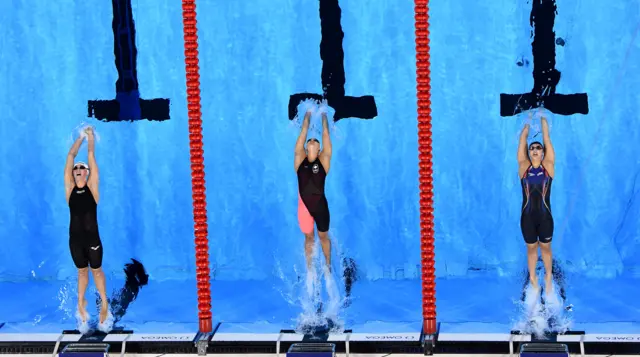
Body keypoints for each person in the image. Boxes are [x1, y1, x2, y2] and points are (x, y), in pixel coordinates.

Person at [64, 127, 109, 323]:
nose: (78, 169)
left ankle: (105, 303)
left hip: (93, 239)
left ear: (88, 173)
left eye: (82, 168)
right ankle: (81, 303)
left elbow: (90, 154)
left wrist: (90, 137)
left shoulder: (93, 188)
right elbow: (71, 155)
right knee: (82, 271)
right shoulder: (69, 190)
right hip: (75, 241)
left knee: (96, 270)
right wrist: (80, 137)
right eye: (76, 168)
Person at [517, 114, 555, 295]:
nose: (534, 150)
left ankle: (548, 276)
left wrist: (542, 115)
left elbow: (546, 137)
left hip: (545, 217)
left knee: (546, 247)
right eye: (532, 148)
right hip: (527, 218)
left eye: (538, 148)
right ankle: (533, 277)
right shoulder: (523, 167)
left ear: (543, 152)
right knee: (531, 248)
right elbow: (523, 138)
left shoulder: (548, 167)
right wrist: (529, 117)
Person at [294, 109, 333, 272]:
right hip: (304, 206)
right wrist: (308, 113)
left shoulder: (324, 160)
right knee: (309, 238)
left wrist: (324, 115)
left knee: (323, 236)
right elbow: (304, 131)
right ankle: (310, 269)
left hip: (320, 206)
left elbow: (325, 134)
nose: (311, 140)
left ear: (318, 150)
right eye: (309, 140)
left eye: (314, 141)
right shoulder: (299, 159)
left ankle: (328, 265)